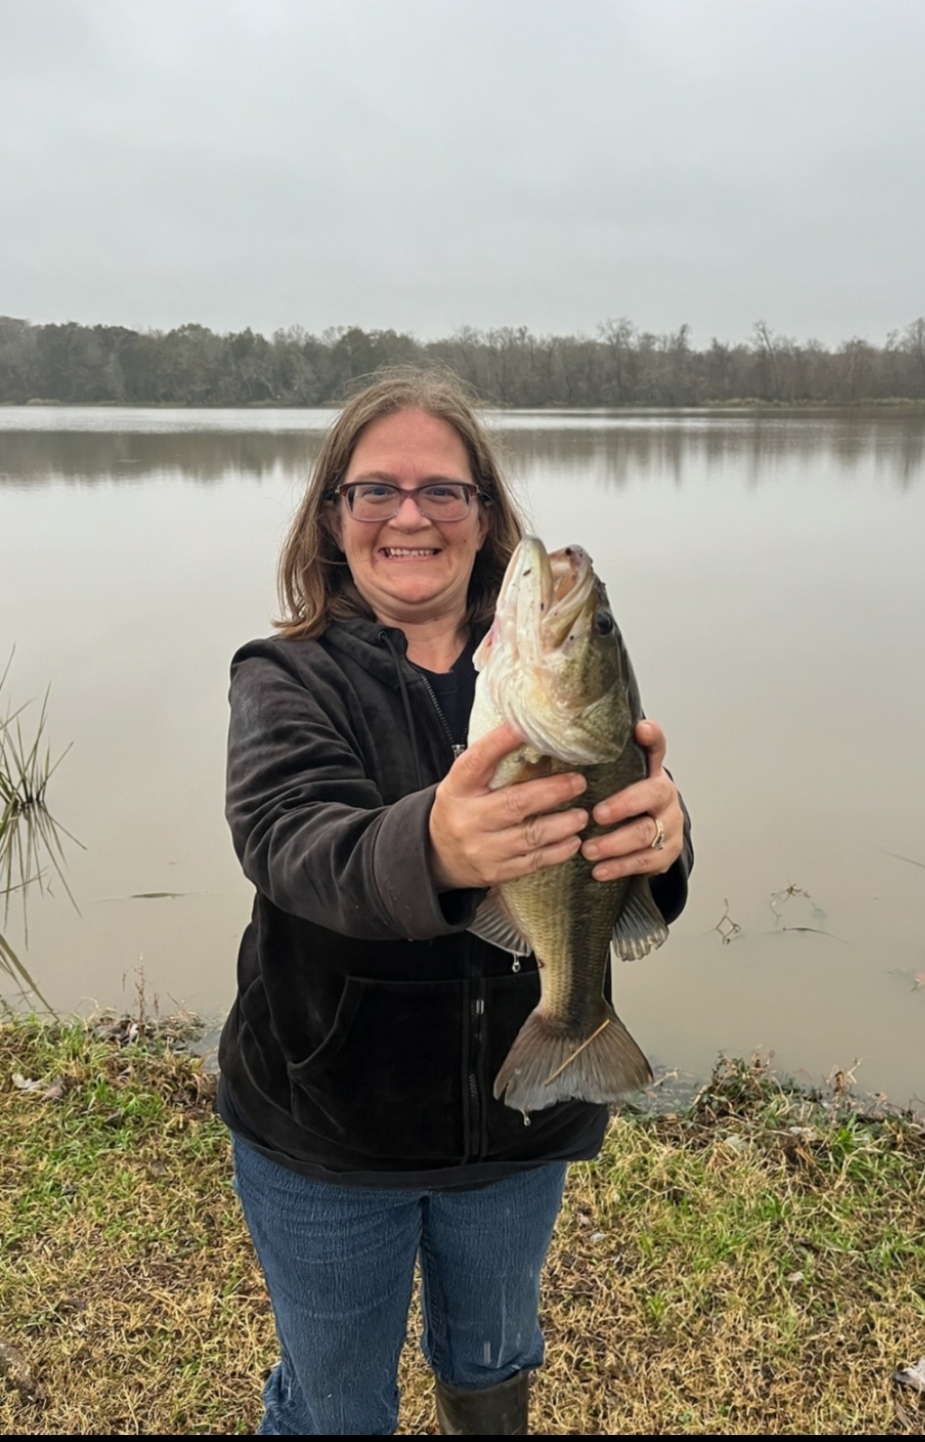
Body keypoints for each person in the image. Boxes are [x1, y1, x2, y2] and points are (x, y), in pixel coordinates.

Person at [217, 367, 691, 1435]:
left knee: (493, 1360)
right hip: (329, 1129)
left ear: (484, 516)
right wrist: (430, 844)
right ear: (332, 517)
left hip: (517, 1125)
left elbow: (622, 835)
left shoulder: (552, 682)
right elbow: (288, 839)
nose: (410, 515)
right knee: (337, 1400)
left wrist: (662, 837)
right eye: (375, 490)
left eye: (443, 489)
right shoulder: (285, 677)